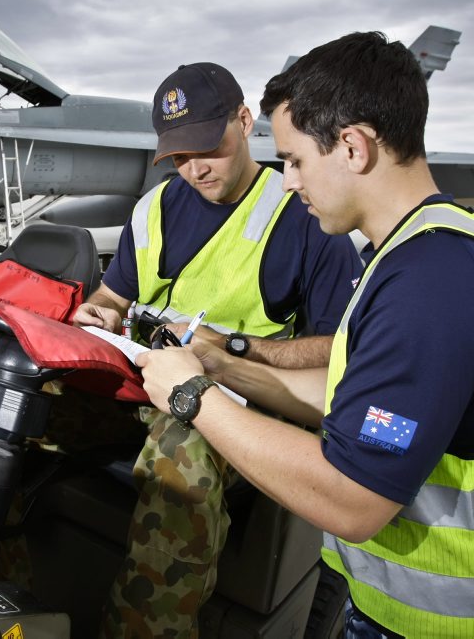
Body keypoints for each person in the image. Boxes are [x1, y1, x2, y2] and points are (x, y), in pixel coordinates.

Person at [136, 32, 474, 638]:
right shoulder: (417, 255)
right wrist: (224, 368)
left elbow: (352, 498)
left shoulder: (432, 286)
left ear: (352, 147)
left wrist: (193, 398)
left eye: (294, 160)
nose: (288, 182)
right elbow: (357, 396)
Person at [71, 63, 363, 637]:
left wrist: (233, 347)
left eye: (208, 148)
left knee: (180, 454)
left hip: (231, 402)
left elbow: (341, 347)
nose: (195, 168)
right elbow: (113, 294)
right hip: (140, 385)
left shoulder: (303, 216)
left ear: (244, 121)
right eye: (179, 156)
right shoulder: (153, 208)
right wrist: (98, 310)